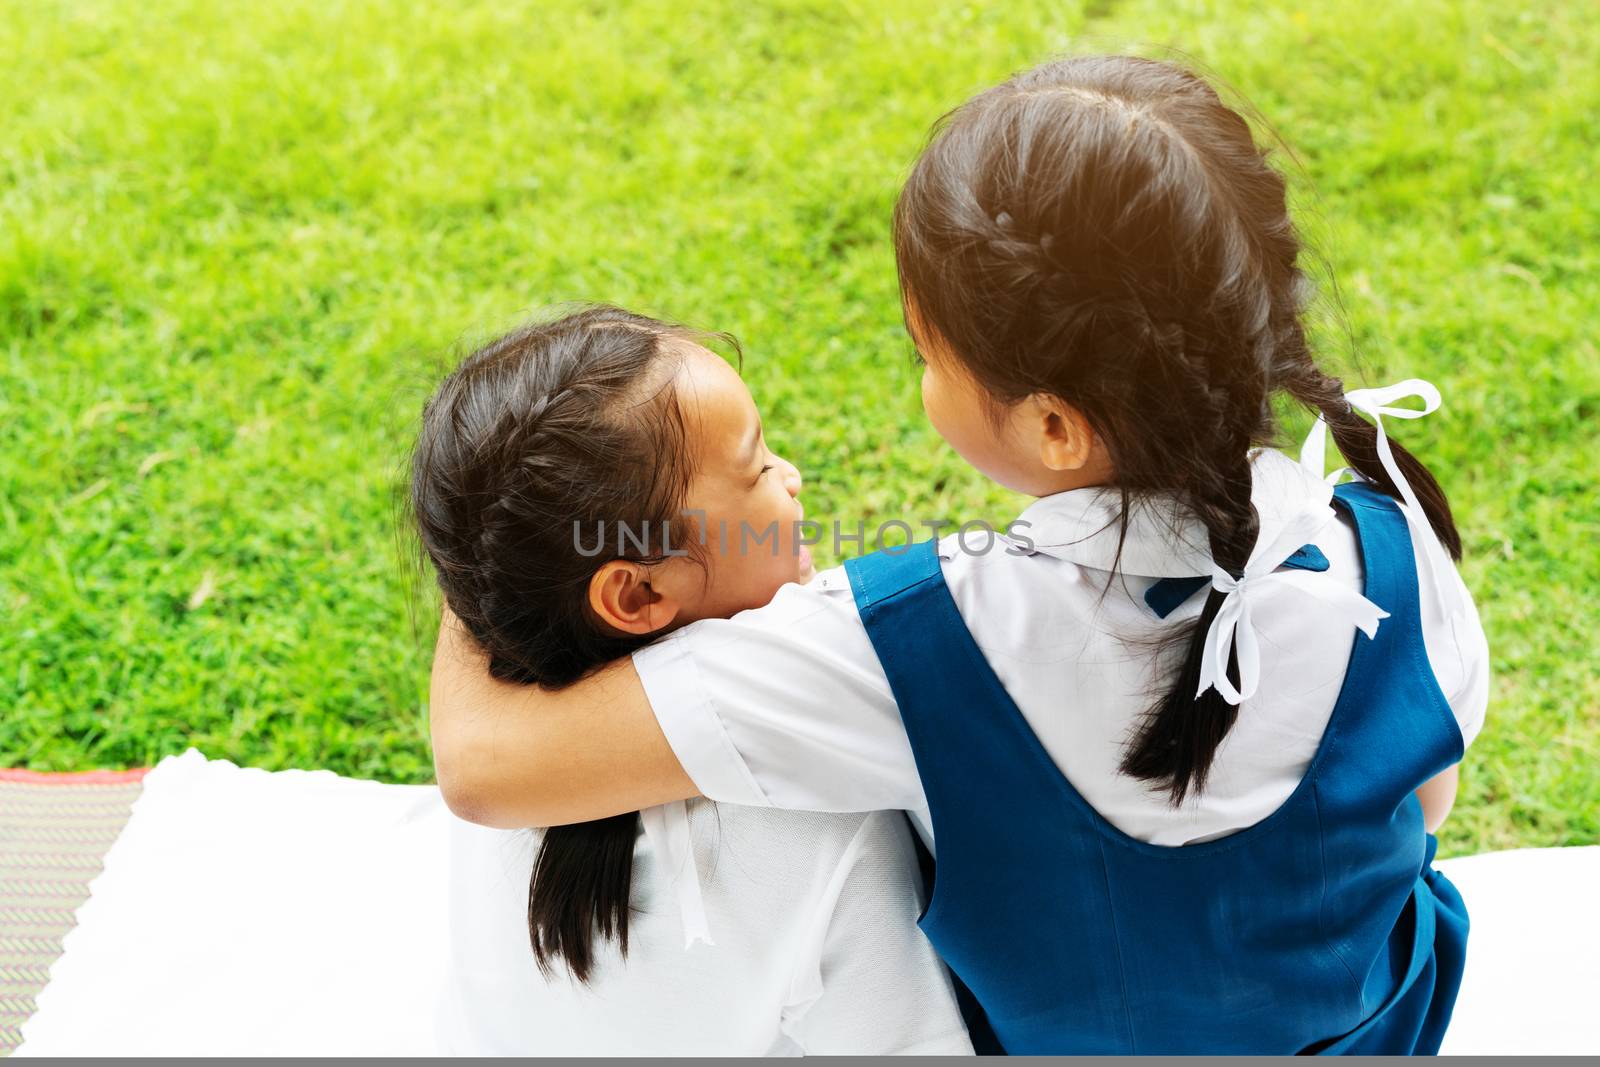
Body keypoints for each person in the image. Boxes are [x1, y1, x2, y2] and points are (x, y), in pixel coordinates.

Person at [427, 58, 1489, 1054]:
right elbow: (1421, 805)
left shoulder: (900, 639)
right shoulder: (1392, 546)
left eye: (925, 352)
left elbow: (487, 766)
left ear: (1055, 428)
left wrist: (505, 526)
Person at [410, 307, 971, 1055]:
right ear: (637, 595)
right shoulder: (821, 811)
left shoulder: (506, 775)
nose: (793, 476)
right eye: (759, 467)